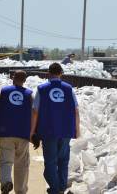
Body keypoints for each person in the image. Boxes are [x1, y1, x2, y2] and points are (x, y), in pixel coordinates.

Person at [30, 63, 80, 194]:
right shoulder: (69, 89)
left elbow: (35, 111)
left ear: (48, 73)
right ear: (61, 73)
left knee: (50, 162)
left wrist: (32, 131)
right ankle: (61, 188)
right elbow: (76, 110)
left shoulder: (41, 89)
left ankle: (55, 189)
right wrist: (77, 129)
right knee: (63, 160)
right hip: (65, 130)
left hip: (48, 131)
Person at [0, 70, 33, 194]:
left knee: (6, 161)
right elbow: (35, 115)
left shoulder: (3, 93)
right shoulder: (30, 95)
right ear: (25, 80)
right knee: (21, 164)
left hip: (5, 132)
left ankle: (6, 182)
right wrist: (34, 133)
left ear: (13, 78)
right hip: (23, 133)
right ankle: (20, 190)